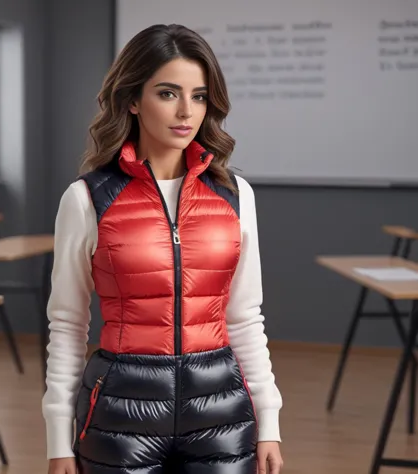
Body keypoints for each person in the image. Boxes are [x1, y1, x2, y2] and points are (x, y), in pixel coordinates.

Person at [42, 23, 283, 474]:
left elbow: (245, 316)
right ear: (133, 99)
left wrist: (268, 420)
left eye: (199, 96)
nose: (185, 112)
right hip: (119, 412)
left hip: (222, 411)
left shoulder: (235, 196)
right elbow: (68, 323)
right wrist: (58, 439)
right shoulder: (87, 198)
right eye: (168, 93)